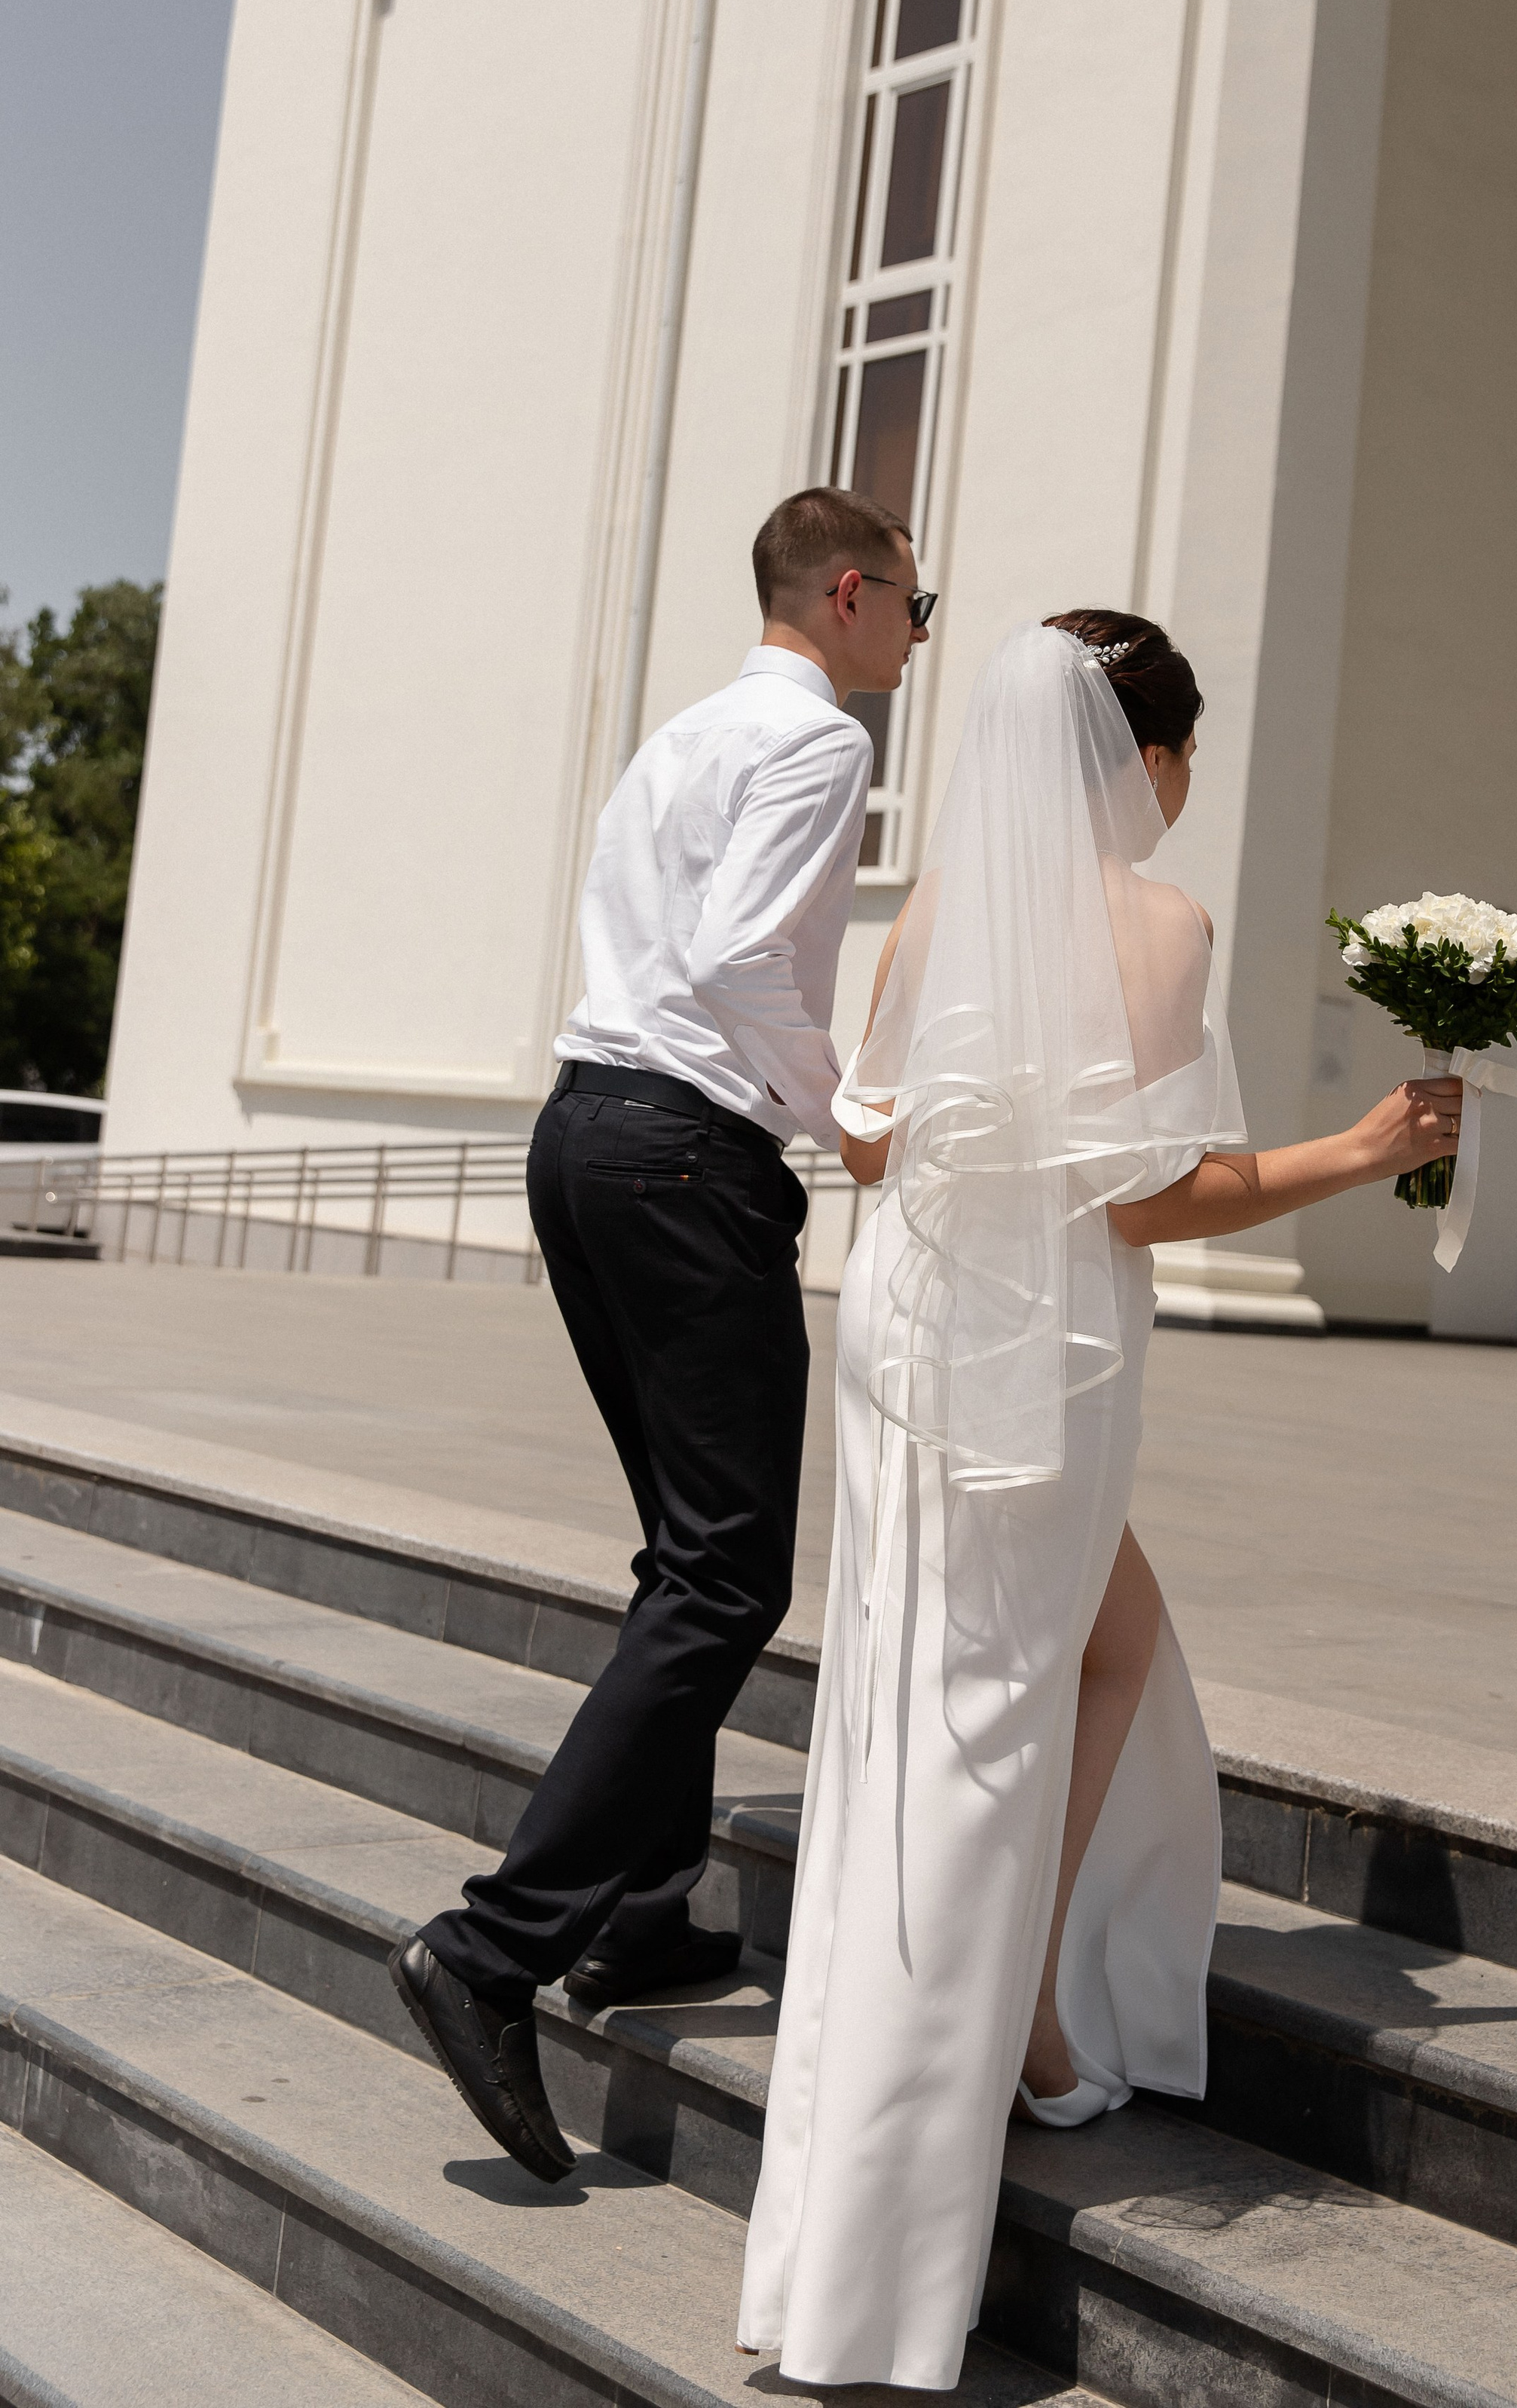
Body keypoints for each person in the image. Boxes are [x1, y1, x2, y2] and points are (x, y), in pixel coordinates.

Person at [736, 610, 1460, 2390]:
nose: (1183, 795)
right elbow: (1151, 1196)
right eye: (1184, 758)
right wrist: (1366, 1152)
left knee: (1033, 1682)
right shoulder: (1157, 920)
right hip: (1035, 1366)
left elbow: (874, 1142)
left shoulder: (930, 919)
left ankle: (1038, 2024)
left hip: (905, 1341)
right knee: (976, 1747)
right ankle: (881, 2273)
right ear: (1142, 759)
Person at [389, 488, 936, 2185]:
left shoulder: (683, 734)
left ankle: (641, 1912)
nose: (919, 639)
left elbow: (661, 946)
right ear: (848, 594)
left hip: (586, 1137)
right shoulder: (822, 741)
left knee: (682, 1553)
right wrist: (845, 1110)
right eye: (916, 605)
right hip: (684, 1152)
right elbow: (730, 959)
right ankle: (492, 1949)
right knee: (726, 1574)